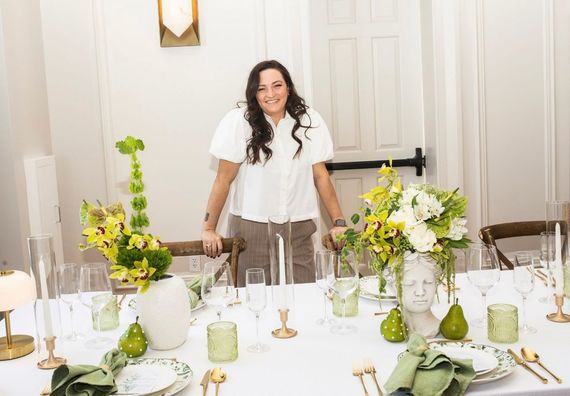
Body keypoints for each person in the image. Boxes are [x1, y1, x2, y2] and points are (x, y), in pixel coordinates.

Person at [201, 60, 347, 286]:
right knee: (254, 297)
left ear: (288, 87)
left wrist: (339, 222)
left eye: (277, 85)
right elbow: (223, 179)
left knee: (304, 295)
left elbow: (321, 176)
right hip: (251, 228)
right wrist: (209, 229)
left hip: (299, 226)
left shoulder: (310, 120)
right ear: (254, 93)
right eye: (261, 88)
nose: (270, 94)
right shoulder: (239, 122)